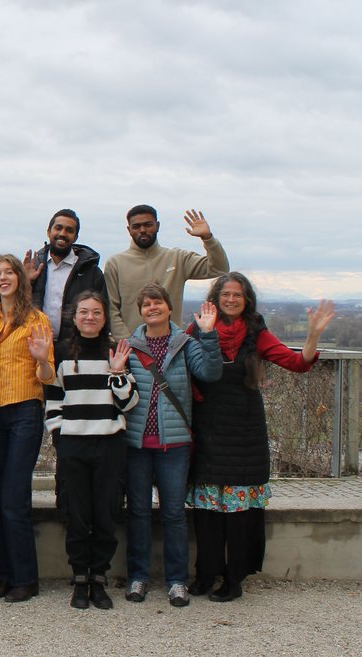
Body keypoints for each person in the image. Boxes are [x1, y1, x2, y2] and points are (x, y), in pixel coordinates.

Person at [186, 274, 335, 602]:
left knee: (239, 514)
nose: (231, 299)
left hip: (244, 432)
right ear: (215, 297)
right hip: (208, 428)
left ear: (246, 299)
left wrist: (312, 335)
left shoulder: (257, 334)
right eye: (225, 294)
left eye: (237, 295)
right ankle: (205, 573)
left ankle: (233, 578)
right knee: (207, 511)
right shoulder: (198, 329)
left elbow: (298, 363)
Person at [123, 283, 221, 608]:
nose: (152, 308)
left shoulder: (185, 343)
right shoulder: (130, 347)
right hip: (136, 444)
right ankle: (138, 576)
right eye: (146, 304)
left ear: (168, 307)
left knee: (174, 514)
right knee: (137, 512)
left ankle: (176, 580)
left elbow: (210, 371)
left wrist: (208, 334)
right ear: (141, 311)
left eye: (158, 303)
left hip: (174, 444)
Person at [43, 291, 138, 610]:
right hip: (74, 443)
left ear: (104, 317)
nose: (90, 317)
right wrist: (59, 431)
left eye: (96, 312)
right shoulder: (63, 352)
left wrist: (117, 372)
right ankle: (79, 579)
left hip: (109, 443)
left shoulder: (115, 350)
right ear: (74, 316)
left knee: (106, 513)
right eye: (84, 312)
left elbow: (129, 402)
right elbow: (53, 397)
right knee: (78, 514)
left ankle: (99, 577)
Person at [0, 254, 55, 603]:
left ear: (20, 279)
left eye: (9, 272)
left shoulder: (37, 320)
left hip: (25, 409)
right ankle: (5, 574)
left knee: (15, 496)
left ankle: (25, 577)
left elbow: (48, 377)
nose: (3, 278)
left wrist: (41, 359)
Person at [104, 206, 229, 339]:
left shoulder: (177, 258)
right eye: (136, 226)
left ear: (157, 226)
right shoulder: (115, 263)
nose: (142, 230)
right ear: (129, 230)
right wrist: (127, 344)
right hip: (132, 350)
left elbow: (219, 268)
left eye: (148, 225)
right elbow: (112, 309)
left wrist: (208, 239)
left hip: (173, 348)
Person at [24, 210, 107, 339]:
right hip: (36, 343)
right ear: (48, 231)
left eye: (69, 230)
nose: (62, 234)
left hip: (75, 347)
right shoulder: (33, 267)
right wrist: (25, 282)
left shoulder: (91, 272)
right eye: (58, 228)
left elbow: (103, 311)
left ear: (75, 237)